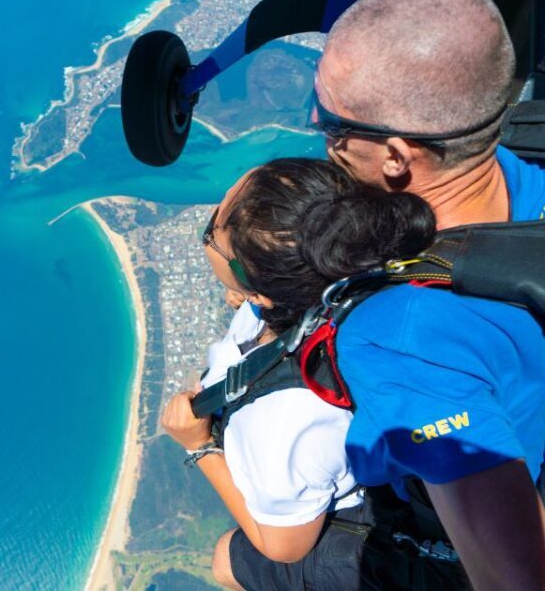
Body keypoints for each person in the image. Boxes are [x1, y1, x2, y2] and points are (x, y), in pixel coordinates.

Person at [303, 0, 545, 589]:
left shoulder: (401, 335)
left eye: (333, 122)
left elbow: (515, 578)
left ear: (395, 157)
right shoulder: (531, 169)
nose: (315, 124)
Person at [161, 158, 440, 590]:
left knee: (225, 560)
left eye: (210, 230)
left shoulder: (282, 421)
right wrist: (253, 297)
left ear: (264, 289)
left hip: (380, 523)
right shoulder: (365, 261)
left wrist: (199, 448)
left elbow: (283, 547)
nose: (210, 224)